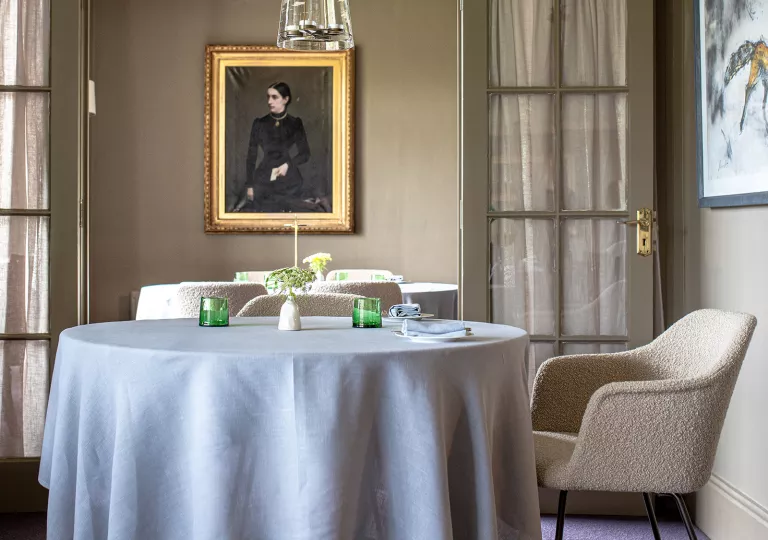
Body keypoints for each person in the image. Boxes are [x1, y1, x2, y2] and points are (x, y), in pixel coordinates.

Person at [234, 82, 311, 212]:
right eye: (268, 97)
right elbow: (251, 156)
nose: (269, 101)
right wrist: (250, 185)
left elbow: (305, 154)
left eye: (275, 97)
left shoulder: (295, 123)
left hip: (289, 180)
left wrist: (287, 165)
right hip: (263, 179)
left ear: (286, 100)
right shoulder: (259, 124)